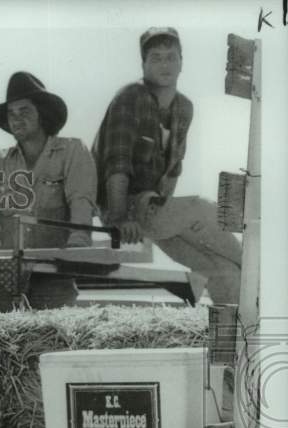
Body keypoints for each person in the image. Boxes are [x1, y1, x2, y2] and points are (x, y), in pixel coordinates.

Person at [92, 27, 242, 304]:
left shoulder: (184, 108)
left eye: (171, 57)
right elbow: (116, 163)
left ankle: (233, 327)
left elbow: (174, 169)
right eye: (156, 58)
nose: (165, 64)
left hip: (156, 208)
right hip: (122, 206)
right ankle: (263, 272)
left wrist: (167, 208)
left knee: (224, 271)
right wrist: (120, 218)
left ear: (182, 62)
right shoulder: (130, 97)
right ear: (143, 64)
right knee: (202, 208)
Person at [0, 72, 98, 309]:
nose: (16, 119)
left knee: (54, 332)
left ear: (42, 114)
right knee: (4, 333)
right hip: (8, 278)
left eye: (24, 111)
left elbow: (81, 201)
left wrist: (77, 248)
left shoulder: (72, 151)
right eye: (11, 113)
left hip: (54, 275)